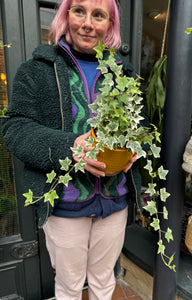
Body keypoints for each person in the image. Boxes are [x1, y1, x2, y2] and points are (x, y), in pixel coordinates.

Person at [2, 0, 147, 299]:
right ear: (66, 15)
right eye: (79, 10)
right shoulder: (37, 70)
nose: (88, 23)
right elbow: (15, 128)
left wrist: (136, 149)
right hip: (65, 204)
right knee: (69, 286)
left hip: (114, 202)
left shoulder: (124, 74)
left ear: (110, 24)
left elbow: (139, 126)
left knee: (104, 280)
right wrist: (69, 146)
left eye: (99, 15)